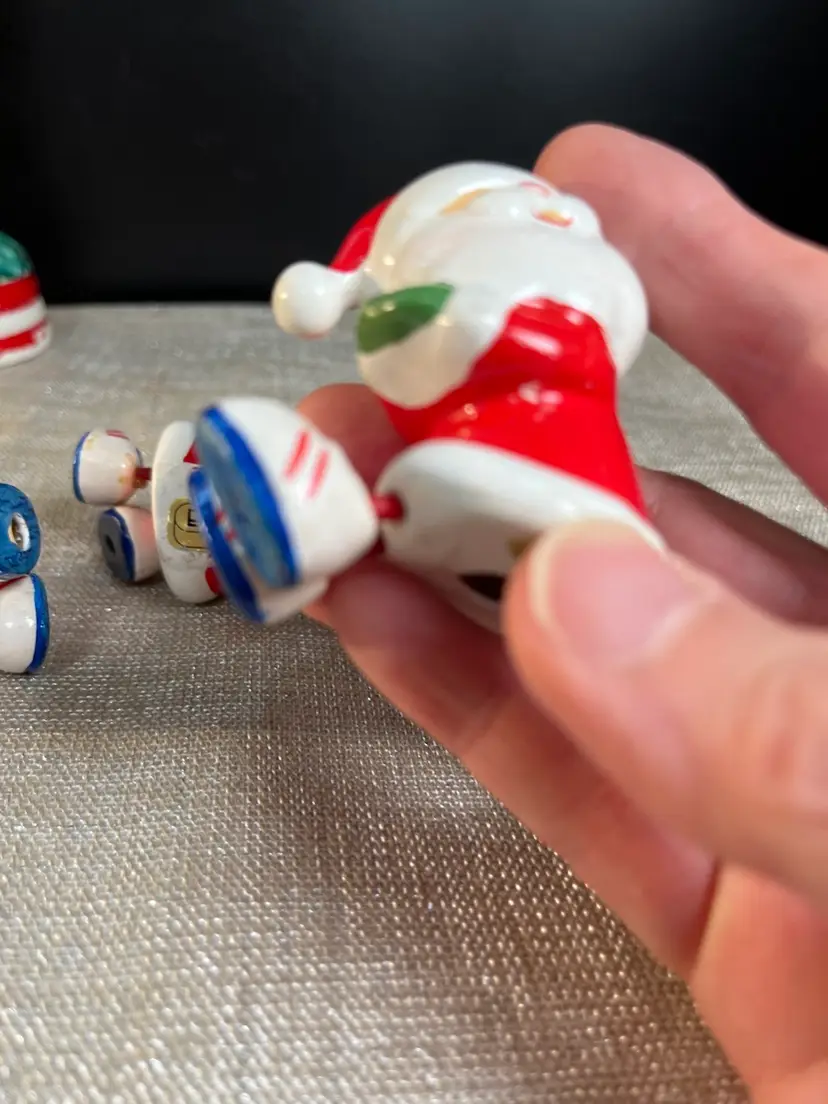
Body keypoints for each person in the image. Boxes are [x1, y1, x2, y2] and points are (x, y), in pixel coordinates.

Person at [295, 124, 828, 1104]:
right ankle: (406, 519)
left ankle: (429, 518)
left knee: (461, 500)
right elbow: (402, 332)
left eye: (553, 216)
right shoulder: (488, 269)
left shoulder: (579, 277)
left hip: (569, 476)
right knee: (434, 504)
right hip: (495, 462)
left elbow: (539, 327)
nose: (542, 212)